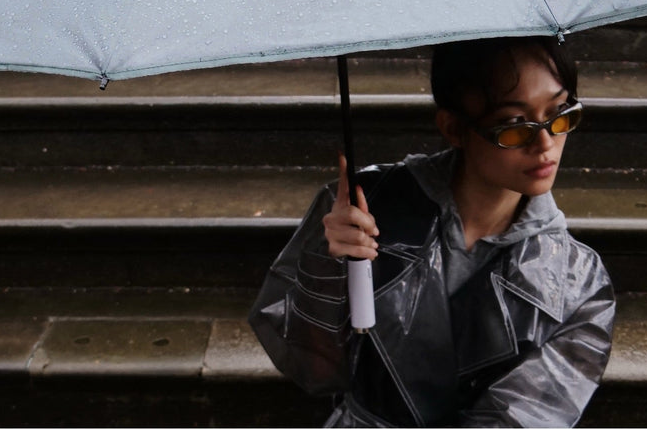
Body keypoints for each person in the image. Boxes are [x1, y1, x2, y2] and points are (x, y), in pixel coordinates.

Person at [249, 36, 615, 427]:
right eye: (514, 126)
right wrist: (326, 264)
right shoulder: (360, 210)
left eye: (561, 114)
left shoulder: (579, 284)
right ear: (453, 127)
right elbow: (313, 370)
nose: (546, 144)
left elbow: (522, 418)